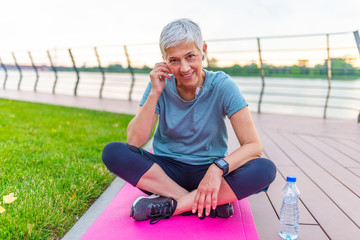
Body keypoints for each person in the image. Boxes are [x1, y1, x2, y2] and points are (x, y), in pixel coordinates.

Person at [102, 18, 276, 224]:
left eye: (190, 56)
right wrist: (155, 93)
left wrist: (217, 168)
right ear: (164, 60)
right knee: (113, 152)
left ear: (203, 50)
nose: (184, 68)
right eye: (174, 60)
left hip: (209, 171)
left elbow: (253, 146)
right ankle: (206, 203)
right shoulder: (159, 85)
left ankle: (173, 206)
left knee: (265, 169)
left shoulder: (223, 85)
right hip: (165, 173)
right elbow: (134, 141)